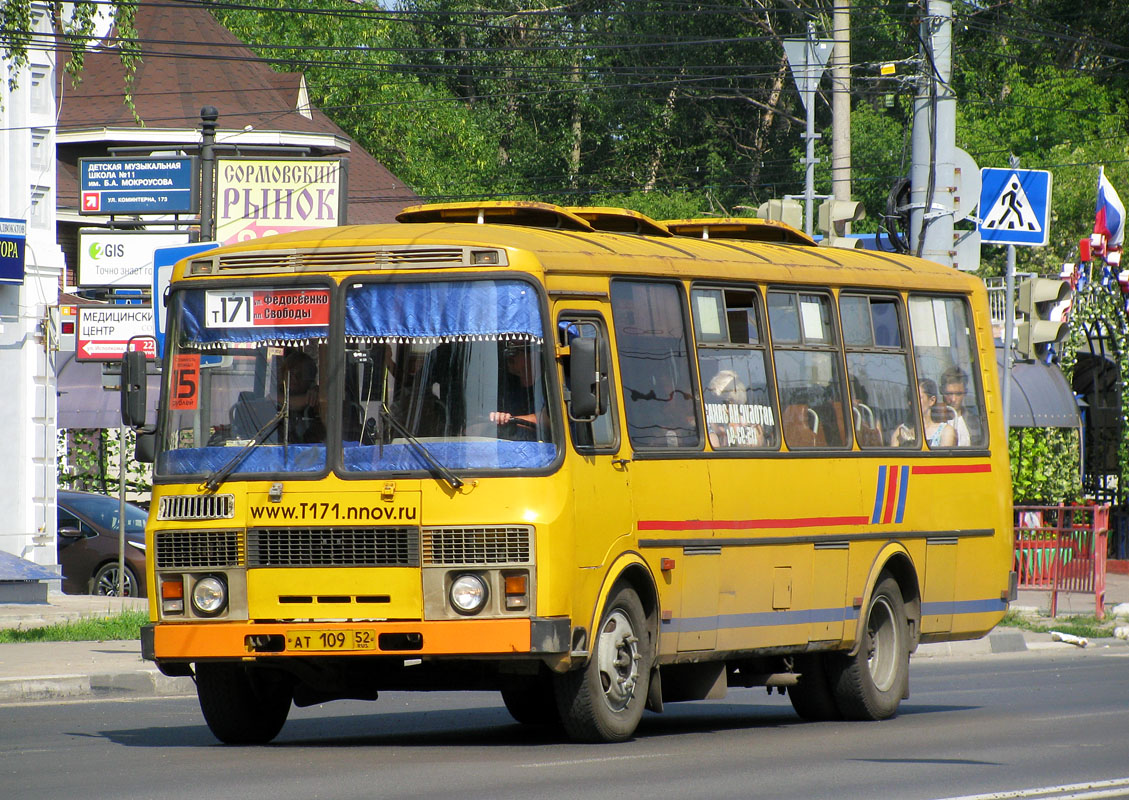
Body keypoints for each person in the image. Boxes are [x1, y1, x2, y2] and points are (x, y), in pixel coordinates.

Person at [489, 343, 546, 439]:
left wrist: (508, 420)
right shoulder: (504, 387)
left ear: (533, 354)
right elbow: (480, 421)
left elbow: (550, 419)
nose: (509, 357)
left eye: (514, 351)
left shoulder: (554, 384)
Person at [890, 378, 955, 448]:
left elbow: (943, 458)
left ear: (932, 400)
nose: (911, 402)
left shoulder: (945, 431)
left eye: (917, 398)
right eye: (910, 398)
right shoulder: (901, 431)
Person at [277, 349, 325, 444]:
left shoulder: (317, 402)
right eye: (290, 375)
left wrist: (320, 394)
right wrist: (307, 399)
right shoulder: (274, 397)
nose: (294, 379)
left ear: (310, 379)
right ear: (283, 376)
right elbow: (288, 402)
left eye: (300, 375)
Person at [939, 366, 976, 446]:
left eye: (958, 394)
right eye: (949, 394)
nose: (953, 399)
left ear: (965, 392)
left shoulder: (975, 422)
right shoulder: (935, 421)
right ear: (942, 391)